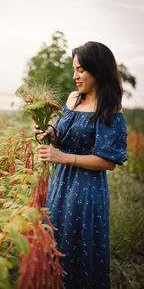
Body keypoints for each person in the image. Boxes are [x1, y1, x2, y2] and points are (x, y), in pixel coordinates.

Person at [33, 41, 127, 289]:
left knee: (77, 249)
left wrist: (64, 157)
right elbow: (62, 134)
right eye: (74, 69)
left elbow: (109, 161)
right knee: (55, 241)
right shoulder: (73, 99)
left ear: (99, 70)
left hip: (86, 191)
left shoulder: (110, 109)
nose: (75, 76)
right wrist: (48, 133)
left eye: (81, 70)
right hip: (59, 184)